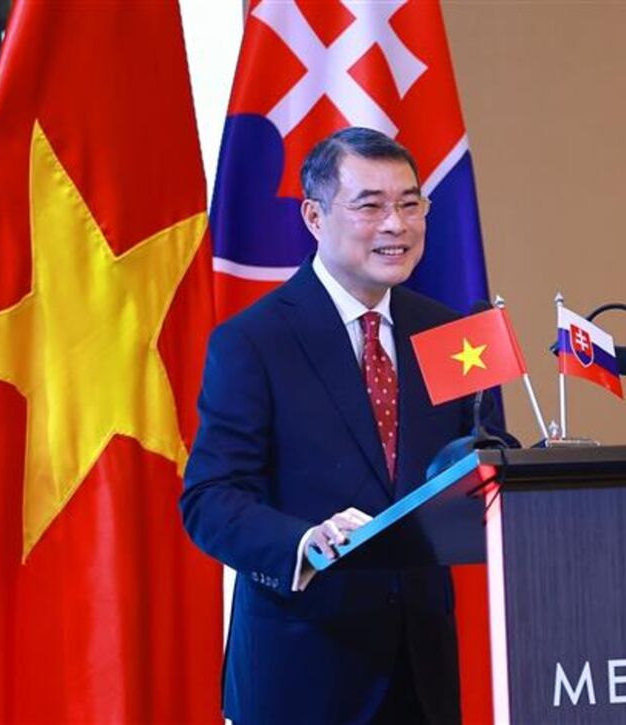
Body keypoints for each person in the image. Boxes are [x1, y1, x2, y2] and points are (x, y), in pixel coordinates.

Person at [181, 127, 496, 724]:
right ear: (314, 216)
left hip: (421, 672)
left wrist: (528, 473)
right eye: (370, 206)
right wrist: (304, 543)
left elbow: (481, 460)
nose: (396, 225)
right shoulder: (254, 341)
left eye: (410, 204)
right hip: (302, 670)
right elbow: (211, 499)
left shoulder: (452, 334)